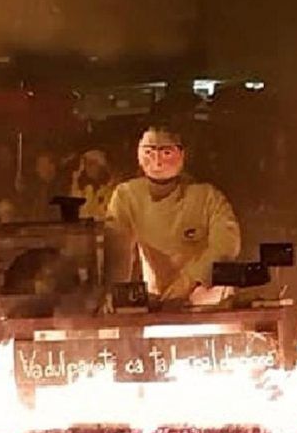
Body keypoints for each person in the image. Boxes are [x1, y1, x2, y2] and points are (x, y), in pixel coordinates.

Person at [103, 126, 241, 305]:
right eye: (149, 153)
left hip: (205, 294)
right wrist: (116, 297)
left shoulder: (207, 196)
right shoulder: (127, 195)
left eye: (166, 153)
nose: (157, 162)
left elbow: (226, 246)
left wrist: (191, 281)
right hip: (157, 298)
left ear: (182, 155)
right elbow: (117, 253)